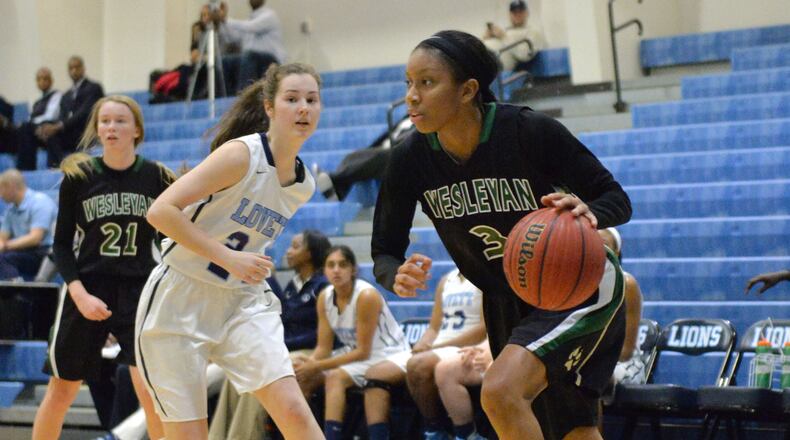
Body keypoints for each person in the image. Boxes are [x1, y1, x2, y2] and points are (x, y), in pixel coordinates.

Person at [371, 30, 632, 440]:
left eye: (426, 82)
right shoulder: (409, 158)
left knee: (500, 392)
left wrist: (591, 212)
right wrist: (394, 274)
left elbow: (615, 197)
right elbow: (385, 251)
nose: (412, 96)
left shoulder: (527, 130)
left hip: (578, 287)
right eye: (408, 83)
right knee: (572, 429)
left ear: (467, 90)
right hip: (504, 296)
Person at [135, 63, 325, 440]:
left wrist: (240, 264)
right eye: (292, 99)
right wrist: (227, 257)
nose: (303, 108)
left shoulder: (304, 185)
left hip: (243, 300)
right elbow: (159, 212)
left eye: (311, 99)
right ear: (269, 107)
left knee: (294, 412)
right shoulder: (241, 155)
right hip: (180, 297)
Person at [31, 95, 171, 440]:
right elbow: (61, 245)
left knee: (151, 394)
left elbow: (174, 239)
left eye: (120, 120)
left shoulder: (157, 177)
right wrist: (79, 295)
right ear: (96, 129)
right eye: (104, 121)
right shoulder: (79, 175)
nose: (111, 127)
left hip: (139, 290)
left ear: (136, 129)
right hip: (88, 286)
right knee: (61, 391)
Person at [208, 229, 331, 440]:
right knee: (235, 377)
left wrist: (284, 345)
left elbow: (321, 335)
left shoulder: (323, 286)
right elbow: (281, 313)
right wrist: (270, 278)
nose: (288, 252)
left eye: (295, 247)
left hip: (310, 351)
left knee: (261, 375)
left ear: (310, 253)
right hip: (287, 348)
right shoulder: (294, 285)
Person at [293, 245, 408, 440]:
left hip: (388, 353)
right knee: (301, 377)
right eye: (331, 265)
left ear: (353, 269)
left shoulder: (366, 295)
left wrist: (316, 365)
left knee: (335, 377)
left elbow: (363, 351)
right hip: (355, 354)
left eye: (342, 265)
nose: (336, 270)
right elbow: (323, 347)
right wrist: (308, 365)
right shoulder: (324, 297)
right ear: (325, 270)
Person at [364, 267, 486, 440]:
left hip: (465, 346)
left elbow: (483, 329)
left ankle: (435, 431)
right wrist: (422, 343)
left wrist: (438, 346)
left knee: (418, 365)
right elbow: (434, 327)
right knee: (375, 374)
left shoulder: (483, 277)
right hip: (439, 347)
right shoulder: (446, 280)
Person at [23, 56, 104, 169]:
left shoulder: (94, 88)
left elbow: (84, 113)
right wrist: (49, 129)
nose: (74, 71)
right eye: (71, 68)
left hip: (86, 132)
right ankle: (55, 168)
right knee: (48, 133)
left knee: (54, 131)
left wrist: (59, 126)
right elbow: (62, 116)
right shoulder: (66, 95)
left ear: (83, 69)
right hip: (71, 133)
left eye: (77, 67)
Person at [314, 117, 414, 201]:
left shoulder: (422, 122)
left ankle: (334, 179)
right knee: (353, 156)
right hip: (386, 148)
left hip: (400, 155)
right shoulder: (406, 118)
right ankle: (339, 191)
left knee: (381, 157)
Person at [599, 228, 646, 386]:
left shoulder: (627, 284)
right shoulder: (575, 285)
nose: (598, 250)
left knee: (592, 377)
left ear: (616, 252)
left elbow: (626, 352)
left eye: (604, 245)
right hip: (588, 360)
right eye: (593, 244)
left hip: (623, 363)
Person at [217, 0, 287, 94]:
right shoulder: (249, 20)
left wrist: (224, 19)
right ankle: (226, 97)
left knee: (249, 56)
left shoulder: (270, 15)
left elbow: (251, 27)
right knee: (226, 60)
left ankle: (244, 95)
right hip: (251, 59)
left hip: (271, 61)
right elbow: (231, 38)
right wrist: (220, 23)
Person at [0, 169, 57, 281]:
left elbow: (35, 238)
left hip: (45, 252)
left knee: (5, 258)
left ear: (11, 187)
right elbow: (2, 238)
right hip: (24, 252)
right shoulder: (11, 211)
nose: (0, 195)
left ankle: (17, 293)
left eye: (1, 189)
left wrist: (5, 245)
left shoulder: (40, 202)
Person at [434, 340, 494, 440]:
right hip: (500, 350)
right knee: (446, 370)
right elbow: (496, 333)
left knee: (496, 371)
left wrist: (494, 353)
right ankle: (467, 435)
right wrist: (480, 349)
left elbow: (527, 334)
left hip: (521, 354)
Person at [13, 67, 63, 168]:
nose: (42, 82)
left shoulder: (57, 95)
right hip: (36, 130)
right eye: (39, 79)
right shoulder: (37, 102)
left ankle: (26, 168)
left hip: (50, 128)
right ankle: (24, 169)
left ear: (51, 80)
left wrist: (33, 124)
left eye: (45, 79)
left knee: (26, 127)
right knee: (21, 129)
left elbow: (51, 115)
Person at [482, 0, 545, 72]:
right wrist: (485, 38)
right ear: (509, 14)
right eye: (514, 12)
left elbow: (525, 55)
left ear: (527, 13)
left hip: (498, 66)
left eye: (520, 12)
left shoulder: (533, 32)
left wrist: (503, 37)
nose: (517, 14)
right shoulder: (504, 30)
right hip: (484, 59)